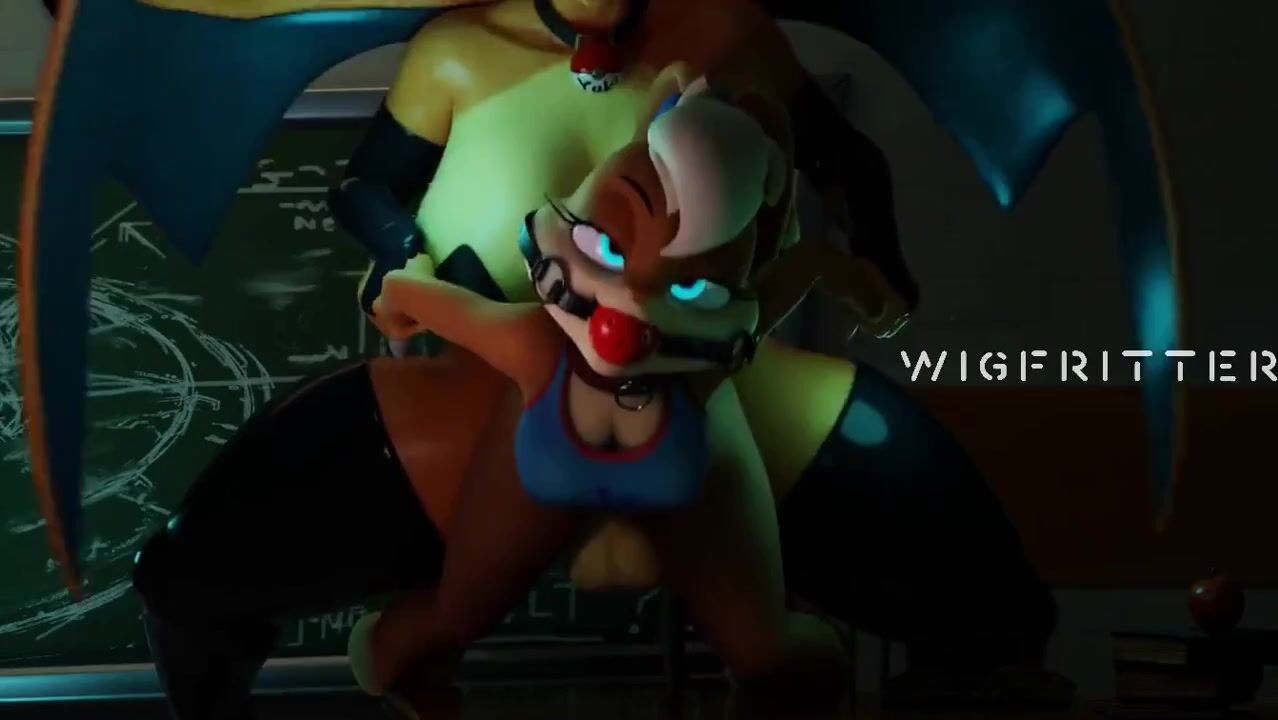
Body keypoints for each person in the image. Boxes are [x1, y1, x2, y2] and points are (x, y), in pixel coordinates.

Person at [131, 1, 1061, 716]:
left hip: (721, 389)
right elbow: (369, 186)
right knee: (195, 575)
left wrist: (873, 262)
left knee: (985, 612)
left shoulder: (730, 33)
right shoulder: (457, 50)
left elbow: (847, 163)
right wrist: (402, 261)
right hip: (492, 392)